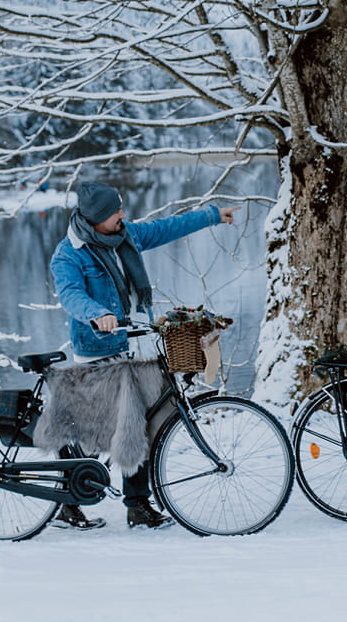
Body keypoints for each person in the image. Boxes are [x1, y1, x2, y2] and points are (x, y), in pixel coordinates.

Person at [48, 180, 238, 530]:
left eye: (120, 208)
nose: (122, 214)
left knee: (144, 424)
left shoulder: (126, 235)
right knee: (95, 432)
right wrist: (96, 314)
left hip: (136, 342)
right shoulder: (69, 254)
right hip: (99, 351)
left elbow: (166, 228)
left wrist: (212, 216)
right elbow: (71, 294)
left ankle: (137, 505)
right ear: (94, 219)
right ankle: (68, 500)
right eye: (114, 211)